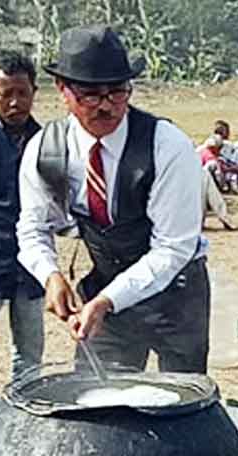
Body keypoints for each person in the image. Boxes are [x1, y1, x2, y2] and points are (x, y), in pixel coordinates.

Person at [17, 25, 210, 373]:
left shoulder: (167, 146)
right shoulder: (45, 151)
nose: (106, 107)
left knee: (182, 407)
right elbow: (32, 228)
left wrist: (108, 300)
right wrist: (50, 275)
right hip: (105, 292)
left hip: (177, 297)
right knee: (100, 397)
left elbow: (172, 249)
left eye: (118, 92)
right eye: (91, 95)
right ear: (63, 90)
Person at [0, 50, 45, 380]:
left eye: (22, 93)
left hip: (31, 264)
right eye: (5, 94)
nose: (15, 102)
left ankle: (24, 420)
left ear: (35, 92)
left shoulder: (48, 142)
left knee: (30, 354)